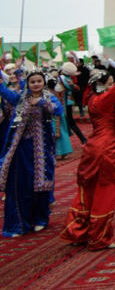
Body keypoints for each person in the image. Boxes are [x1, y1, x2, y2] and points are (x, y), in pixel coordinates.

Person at [61, 64, 115, 249]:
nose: (113, 86)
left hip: (93, 147)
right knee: (105, 192)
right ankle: (99, 237)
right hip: (105, 150)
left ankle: (78, 231)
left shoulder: (94, 99)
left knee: (86, 190)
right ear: (101, 85)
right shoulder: (103, 99)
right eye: (110, 84)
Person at [0, 66, 64, 237]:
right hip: (21, 150)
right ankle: (20, 224)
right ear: (27, 83)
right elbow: (7, 94)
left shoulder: (48, 97)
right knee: (22, 186)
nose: (36, 84)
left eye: (39, 81)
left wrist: (42, 103)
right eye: (32, 82)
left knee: (41, 186)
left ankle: (40, 219)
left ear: (43, 82)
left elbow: (58, 110)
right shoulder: (21, 99)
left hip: (42, 150)